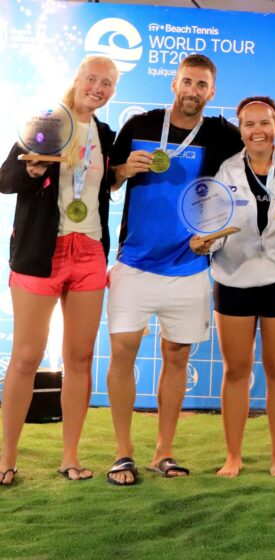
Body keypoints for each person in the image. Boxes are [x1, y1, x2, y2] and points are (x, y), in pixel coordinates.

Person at [105, 54, 243, 485]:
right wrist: (123, 170)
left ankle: (163, 451)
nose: (193, 91)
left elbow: (260, 157)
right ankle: (123, 453)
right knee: (123, 352)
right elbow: (103, 179)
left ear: (212, 92)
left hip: (188, 267)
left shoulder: (221, 133)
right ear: (174, 83)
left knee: (176, 358)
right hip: (135, 263)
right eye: (187, 82)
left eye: (202, 85)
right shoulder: (140, 126)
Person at [0, 56, 119, 485]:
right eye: (92, 79)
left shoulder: (106, 134)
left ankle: (70, 457)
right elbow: (6, 177)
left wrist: (122, 171)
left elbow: (105, 183)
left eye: (107, 83)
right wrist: (32, 171)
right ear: (78, 80)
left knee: (80, 359)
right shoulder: (47, 121)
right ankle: (5, 460)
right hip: (39, 253)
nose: (98, 88)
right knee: (26, 358)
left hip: (89, 252)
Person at [190, 97, 275, 477]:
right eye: (249, 124)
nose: (257, 130)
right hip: (234, 277)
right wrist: (205, 241)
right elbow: (211, 228)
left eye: (264, 122)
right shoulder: (225, 171)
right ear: (240, 128)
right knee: (236, 370)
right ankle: (234, 456)